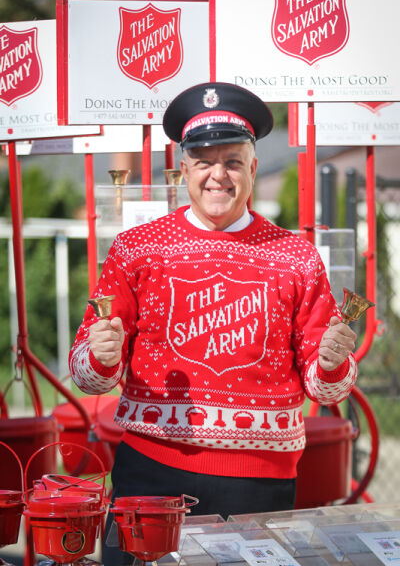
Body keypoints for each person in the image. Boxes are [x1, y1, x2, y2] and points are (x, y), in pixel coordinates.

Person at [69, 82, 357, 559]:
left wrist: (332, 364)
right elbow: (86, 376)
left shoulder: (297, 257)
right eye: (204, 161)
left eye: (232, 161)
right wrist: (100, 358)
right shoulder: (136, 248)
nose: (217, 175)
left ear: (253, 168)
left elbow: (327, 388)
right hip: (151, 471)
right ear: (184, 169)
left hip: (261, 486)